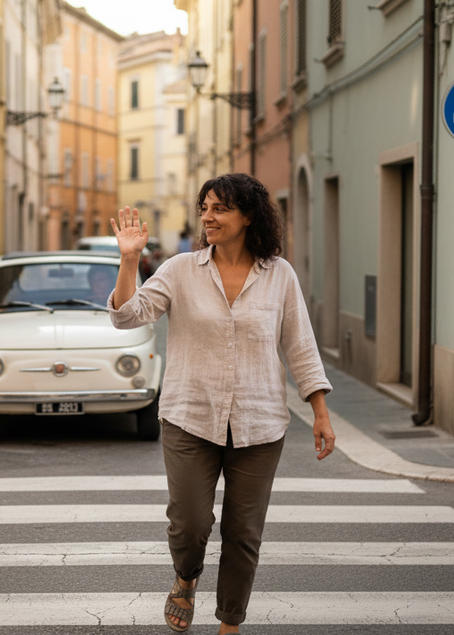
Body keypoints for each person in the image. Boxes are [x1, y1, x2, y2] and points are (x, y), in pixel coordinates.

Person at [107, 173, 335, 634]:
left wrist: (320, 412)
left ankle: (229, 623)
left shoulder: (280, 276)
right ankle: (186, 577)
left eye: (219, 208)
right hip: (190, 417)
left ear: (248, 216)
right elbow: (127, 317)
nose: (207, 217)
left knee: (244, 533)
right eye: (204, 207)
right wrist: (129, 261)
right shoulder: (179, 270)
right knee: (189, 522)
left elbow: (300, 346)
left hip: (260, 421)